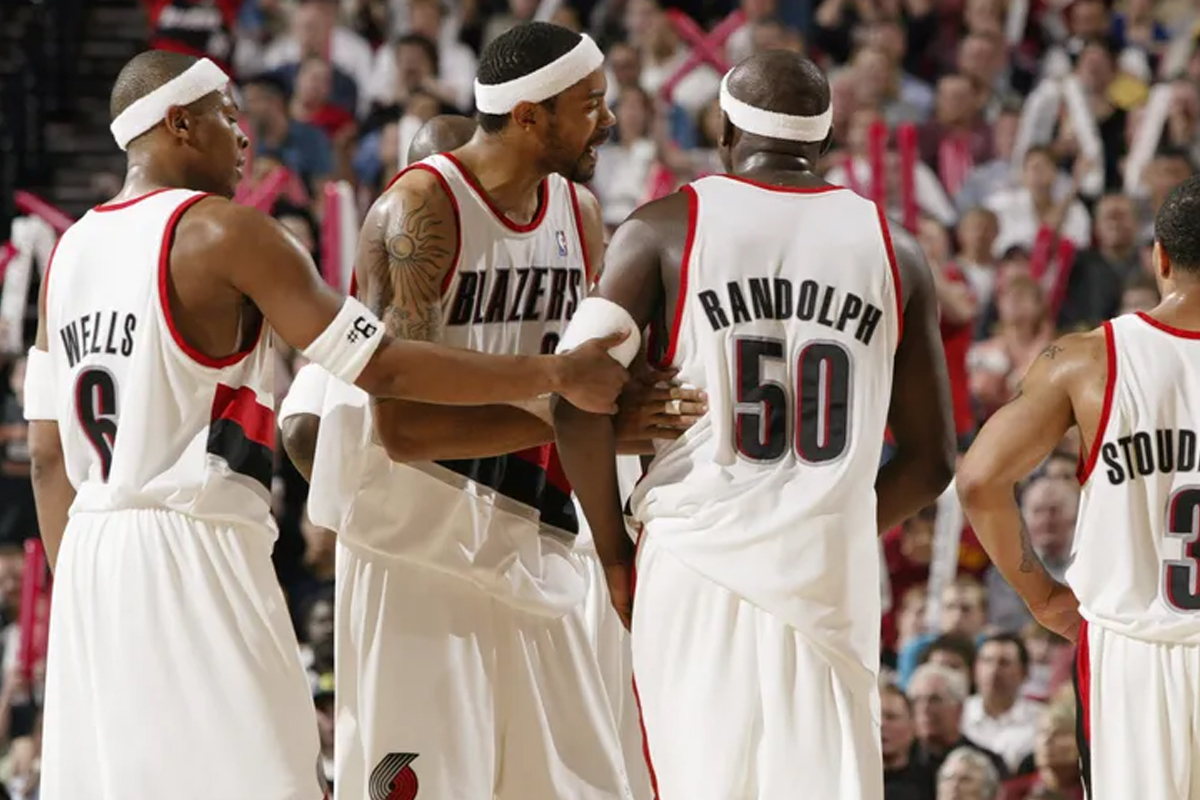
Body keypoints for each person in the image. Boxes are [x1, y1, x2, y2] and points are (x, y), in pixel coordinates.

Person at [22, 50, 629, 800]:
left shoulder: (67, 253)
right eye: (227, 115)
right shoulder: (227, 233)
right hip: (195, 539)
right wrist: (553, 378)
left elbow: (47, 457)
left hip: (89, 552)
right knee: (268, 780)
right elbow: (386, 370)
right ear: (178, 122)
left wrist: (80, 584)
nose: (244, 136)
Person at [286, 25, 703, 800]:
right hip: (414, 556)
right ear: (530, 117)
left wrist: (609, 415)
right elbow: (401, 427)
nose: (609, 122)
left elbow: (586, 389)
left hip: (531, 547)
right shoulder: (415, 211)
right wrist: (565, 411)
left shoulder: (578, 213)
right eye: (592, 105)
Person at [554, 50, 956, 800]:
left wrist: (613, 554)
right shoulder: (896, 249)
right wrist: (830, 517)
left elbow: (571, 400)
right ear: (825, 142)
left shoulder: (661, 228)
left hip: (693, 560)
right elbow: (933, 462)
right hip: (827, 572)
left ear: (728, 135)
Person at [957, 174, 1200, 800]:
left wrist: (1042, 600)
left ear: (1160, 257)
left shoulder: (1087, 360)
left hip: (1131, 660)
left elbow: (981, 479)